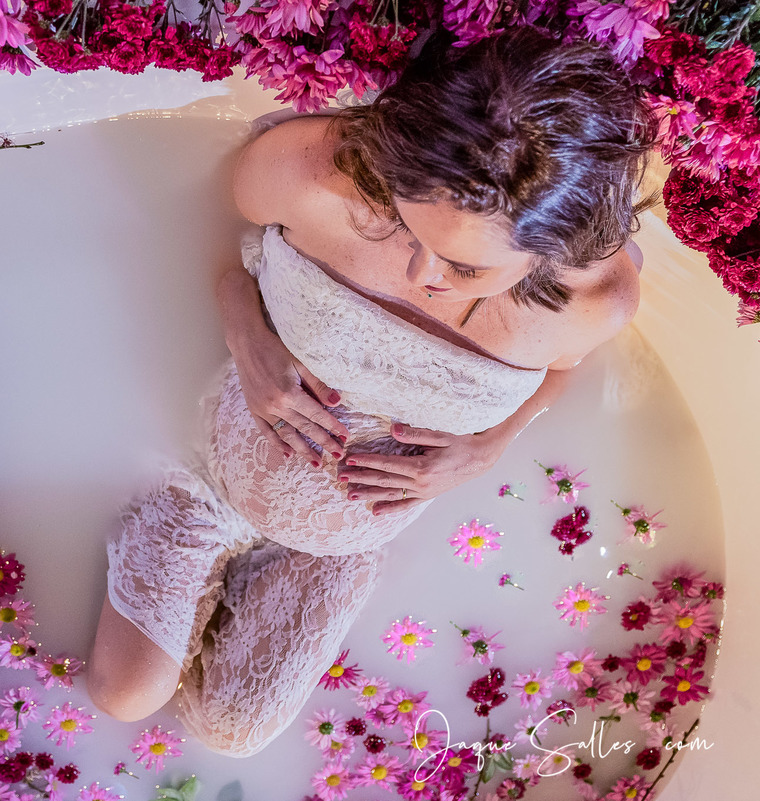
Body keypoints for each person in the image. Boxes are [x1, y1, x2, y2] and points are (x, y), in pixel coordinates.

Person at [87, 26, 657, 757]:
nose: (422, 274)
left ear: (554, 247)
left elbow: (562, 371)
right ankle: (171, 518)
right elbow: (212, 227)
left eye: (464, 267)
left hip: (343, 543)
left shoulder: (594, 299)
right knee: (121, 694)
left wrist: (488, 447)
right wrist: (246, 333)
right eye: (407, 223)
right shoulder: (315, 172)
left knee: (235, 736)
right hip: (214, 482)